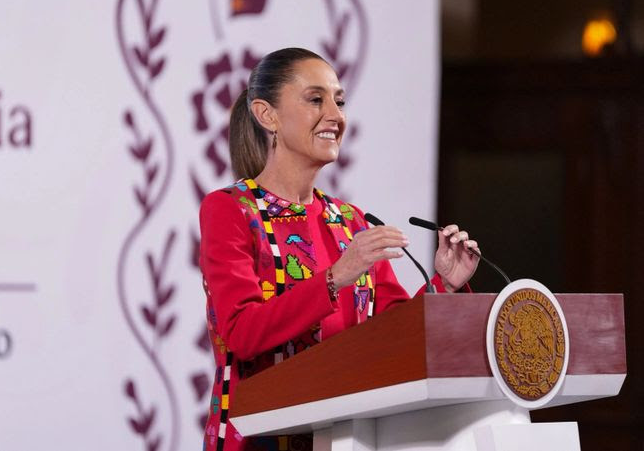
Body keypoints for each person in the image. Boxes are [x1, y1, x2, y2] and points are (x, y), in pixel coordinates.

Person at [199, 48, 480, 451]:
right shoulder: (231, 209)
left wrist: (444, 285)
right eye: (316, 99)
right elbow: (242, 333)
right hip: (259, 439)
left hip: (348, 438)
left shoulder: (350, 220)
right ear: (267, 115)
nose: (336, 115)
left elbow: (394, 334)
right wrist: (335, 278)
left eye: (340, 101)